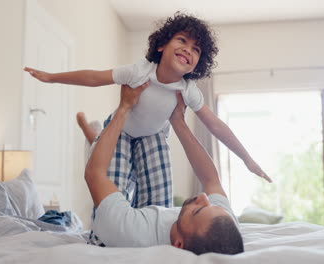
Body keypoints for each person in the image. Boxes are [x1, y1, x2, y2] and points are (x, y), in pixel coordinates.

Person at [25, 12, 271, 211]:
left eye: (196, 49)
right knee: (113, 188)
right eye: (182, 41)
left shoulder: (188, 90)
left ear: (198, 63)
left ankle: (93, 135)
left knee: (159, 200)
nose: (188, 49)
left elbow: (216, 126)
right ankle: (93, 134)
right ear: (162, 45)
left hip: (152, 135)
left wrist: (246, 158)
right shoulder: (140, 71)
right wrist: (51, 77)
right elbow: (94, 77)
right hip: (121, 131)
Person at [84, 81, 244, 255]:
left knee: (119, 136)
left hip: (113, 232)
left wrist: (124, 107)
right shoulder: (222, 222)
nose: (203, 197)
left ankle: (93, 134)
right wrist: (178, 121)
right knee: (152, 135)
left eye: (197, 210)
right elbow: (211, 180)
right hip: (152, 211)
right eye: (211, 204)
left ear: (178, 245)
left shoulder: (127, 233)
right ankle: (95, 136)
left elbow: (95, 174)